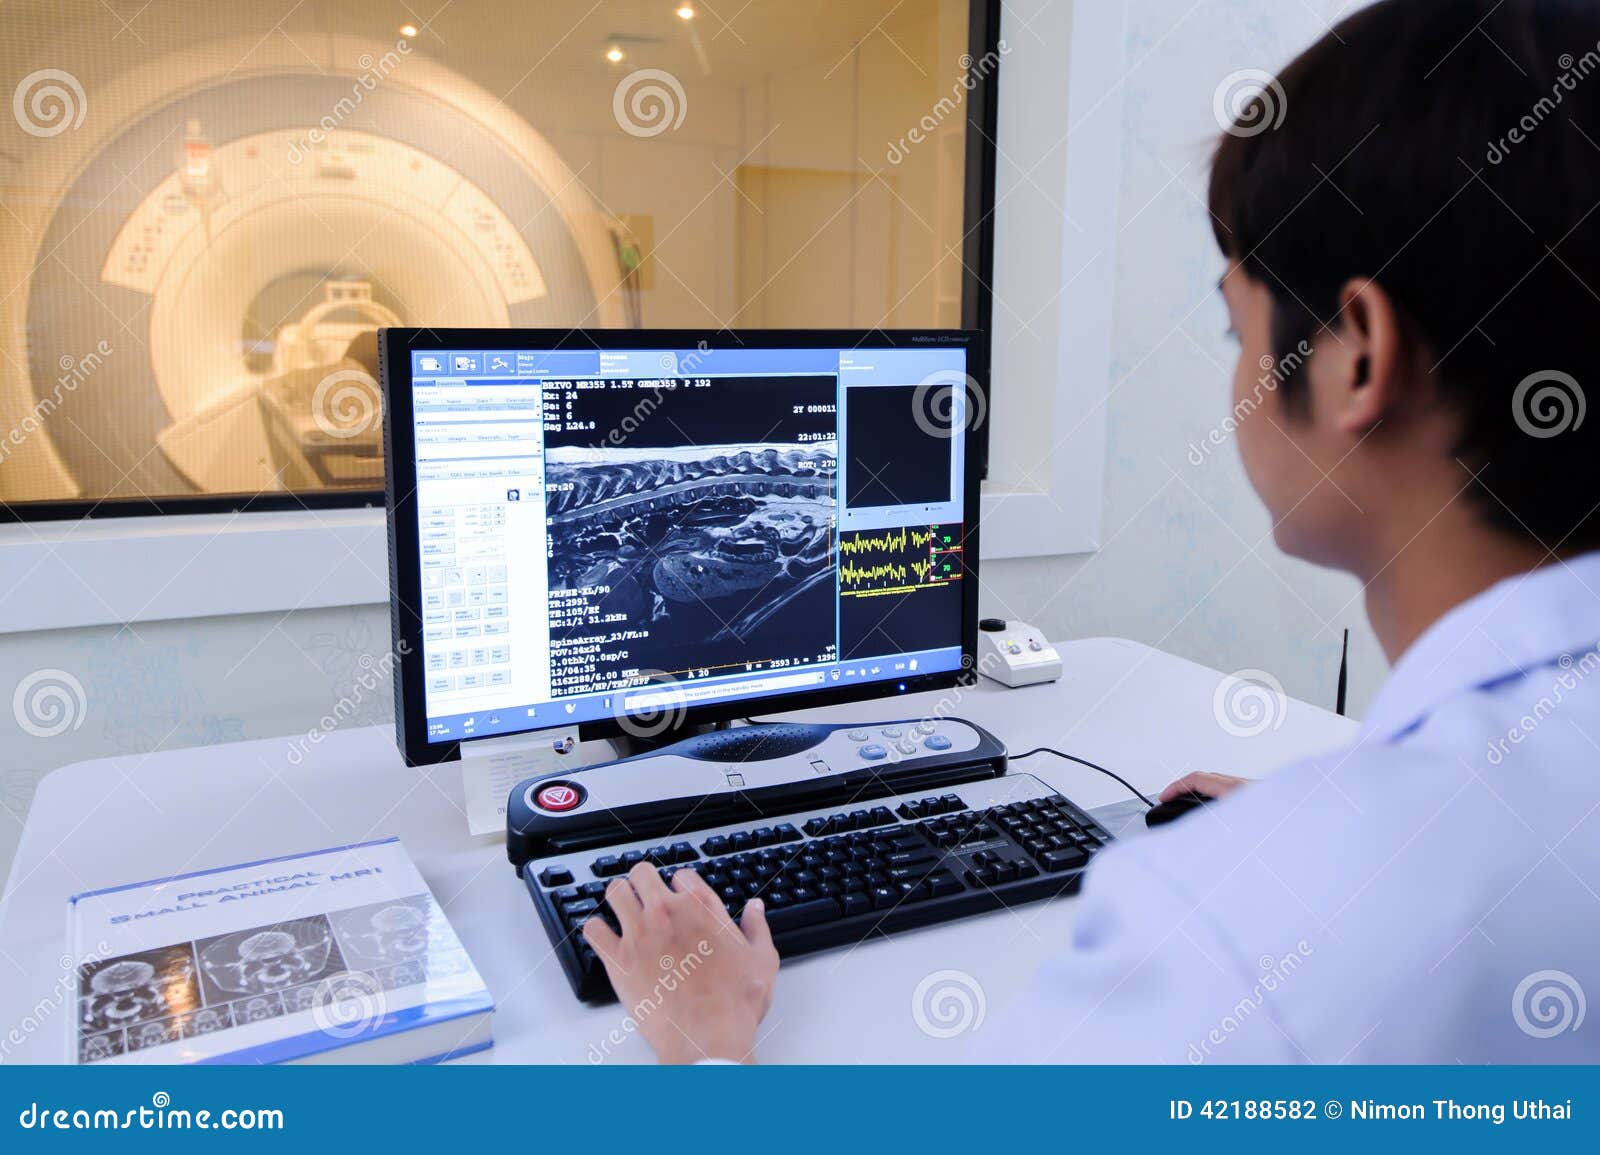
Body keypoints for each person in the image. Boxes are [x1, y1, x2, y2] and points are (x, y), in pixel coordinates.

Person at [579, 0, 1600, 1063]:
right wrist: (1341, 818)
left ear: (1351, 357)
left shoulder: (1250, 930)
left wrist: (705, 1049)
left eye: (1234, 328)